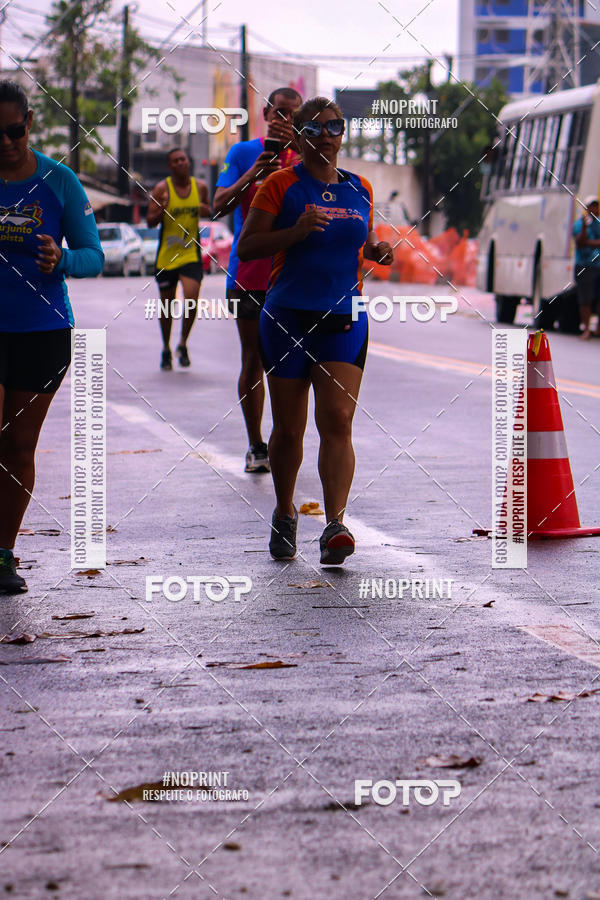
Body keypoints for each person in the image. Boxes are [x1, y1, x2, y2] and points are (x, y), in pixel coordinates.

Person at [237, 97, 393, 565]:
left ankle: (334, 525)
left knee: (339, 420)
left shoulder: (359, 187)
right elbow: (247, 247)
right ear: (301, 136)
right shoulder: (279, 186)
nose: (327, 135)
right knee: (289, 428)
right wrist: (295, 231)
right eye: (317, 128)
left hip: (343, 315)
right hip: (287, 317)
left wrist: (378, 250)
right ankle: (285, 512)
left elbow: (362, 242)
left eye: (335, 126)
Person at [0, 80, 104, 594]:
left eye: (13, 131)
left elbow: (94, 256)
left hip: (42, 332)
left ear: (29, 124)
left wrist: (61, 259)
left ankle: (3, 553)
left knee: (18, 447)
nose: (4, 142)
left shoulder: (59, 181)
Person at [213, 87, 302, 473]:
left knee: (290, 364)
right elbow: (218, 205)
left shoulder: (308, 156)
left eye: (295, 115)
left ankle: (287, 441)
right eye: (280, 113)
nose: (286, 121)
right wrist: (255, 173)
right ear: (266, 113)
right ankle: (256, 445)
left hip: (294, 275)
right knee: (253, 359)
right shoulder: (242, 153)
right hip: (248, 273)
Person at [147, 148, 210, 369]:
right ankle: (166, 347)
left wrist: (204, 209)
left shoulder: (200, 187)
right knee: (167, 305)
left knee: (191, 298)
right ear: (170, 166)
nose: (181, 163)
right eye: (175, 161)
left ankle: (183, 343)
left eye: (183, 159)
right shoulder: (162, 189)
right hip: (166, 256)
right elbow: (150, 222)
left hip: (191, 253)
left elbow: (209, 211)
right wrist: (162, 209)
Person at [573, 196, 600, 339]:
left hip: (598, 266)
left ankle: (597, 329)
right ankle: (587, 329)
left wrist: (588, 242)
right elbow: (580, 243)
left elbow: (585, 242)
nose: (594, 209)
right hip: (584, 266)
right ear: (587, 208)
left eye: (596, 206)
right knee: (585, 299)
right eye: (591, 206)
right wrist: (584, 229)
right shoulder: (579, 224)